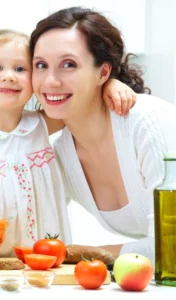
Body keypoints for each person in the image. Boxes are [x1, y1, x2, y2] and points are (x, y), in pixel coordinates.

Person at [0, 28, 135, 256]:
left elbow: (84, 102)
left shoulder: (43, 124)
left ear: (33, 79)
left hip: (40, 253)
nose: (9, 75)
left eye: (20, 69)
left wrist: (109, 85)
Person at [28, 6, 176, 265]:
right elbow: (30, 223)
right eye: (40, 65)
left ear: (104, 72)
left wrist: (88, 254)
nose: (50, 81)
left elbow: (170, 243)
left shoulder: (147, 124)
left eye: (69, 64)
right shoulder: (60, 153)